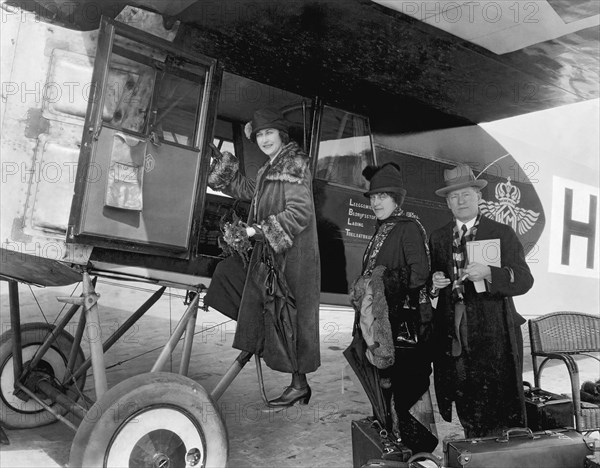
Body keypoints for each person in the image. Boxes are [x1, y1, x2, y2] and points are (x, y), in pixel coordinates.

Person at [204, 108, 320, 407]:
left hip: (291, 258)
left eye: (269, 133)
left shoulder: (294, 164)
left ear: (281, 135)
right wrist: (221, 167)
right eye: (259, 135)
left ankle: (298, 384)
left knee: (287, 317)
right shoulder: (271, 167)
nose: (264, 139)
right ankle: (265, 344)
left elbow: (300, 213)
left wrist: (256, 230)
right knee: (235, 280)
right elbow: (250, 191)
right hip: (272, 254)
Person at [429, 164, 534, 438]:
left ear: (479, 197)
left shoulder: (502, 233)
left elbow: (524, 280)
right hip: (454, 328)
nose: (460, 201)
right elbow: (433, 276)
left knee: (496, 400)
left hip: (494, 331)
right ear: (447, 203)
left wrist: (490, 273)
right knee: (463, 391)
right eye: (453, 197)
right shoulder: (438, 237)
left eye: (465, 194)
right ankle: (473, 445)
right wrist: (435, 282)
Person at [350, 163, 437, 452]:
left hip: (403, 326)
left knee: (406, 395)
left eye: (382, 196)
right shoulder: (385, 229)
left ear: (396, 199)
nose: (375, 202)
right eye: (373, 197)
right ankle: (398, 451)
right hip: (384, 324)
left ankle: (416, 454)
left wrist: (381, 280)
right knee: (386, 393)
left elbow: (419, 272)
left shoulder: (407, 228)